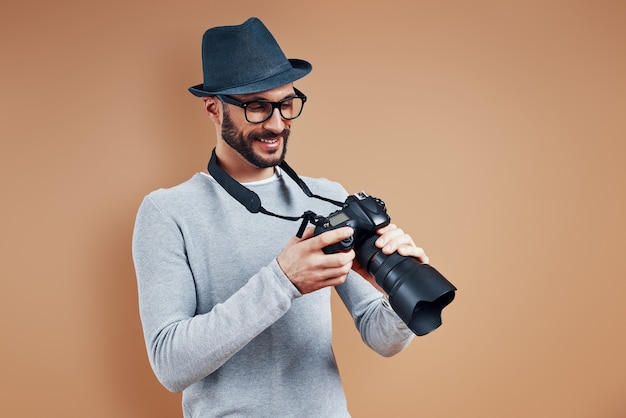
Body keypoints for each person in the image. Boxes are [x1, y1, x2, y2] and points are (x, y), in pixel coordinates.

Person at [132, 17, 429, 417]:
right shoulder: (167, 212)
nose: (276, 123)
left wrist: (401, 292)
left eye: (286, 104)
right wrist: (282, 280)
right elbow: (171, 364)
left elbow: (381, 337)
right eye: (256, 107)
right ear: (213, 108)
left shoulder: (329, 197)